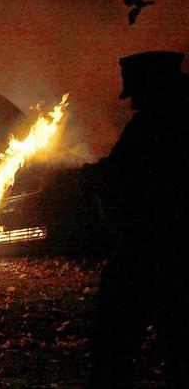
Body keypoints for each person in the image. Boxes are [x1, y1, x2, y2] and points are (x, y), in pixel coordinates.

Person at [86, 51, 189, 386]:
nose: (132, 103)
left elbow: (125, 174)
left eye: (137, 92)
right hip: (166, 242)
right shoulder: (171, 114)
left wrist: (98, 176)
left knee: (112, 333)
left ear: (152, 85)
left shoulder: (153, 123)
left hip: (152, 244)